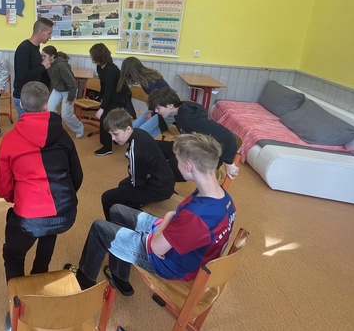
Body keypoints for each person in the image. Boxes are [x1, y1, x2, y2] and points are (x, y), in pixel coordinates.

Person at [67, 133, 236, 296]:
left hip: (169, 264)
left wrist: (167, 220)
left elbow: (157, 247)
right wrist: (169, 222)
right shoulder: (223, 198)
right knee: (117, 209)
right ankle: (119, 275)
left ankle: (83, 281)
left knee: (98, 229)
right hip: (180, 245)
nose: (175, 162)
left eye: (177, 159)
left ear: (189, 166)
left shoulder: (196, 216)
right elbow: (184, 222)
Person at [0, 81, 83, 282]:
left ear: (21, 105)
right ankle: (40, 271)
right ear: (46, 105)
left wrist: (17, 199)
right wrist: (64, 198)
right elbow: (77, 176)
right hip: (66, 214)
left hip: (30, 218)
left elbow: (3, 188)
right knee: (49, 228)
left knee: (12, 254)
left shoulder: (9, 140)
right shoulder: (63, 135)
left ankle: (18, 298)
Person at [148, 87, 240, 180]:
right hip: (190, 148)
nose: (156, 111)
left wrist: (229, 163)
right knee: (151, 145)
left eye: (158, 108)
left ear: (170, 105)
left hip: (200, 158)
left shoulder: (189, 119)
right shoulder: (182, 109)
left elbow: (227, 137)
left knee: (164, 171)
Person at [100, 109, 175, 220]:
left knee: (107, 198)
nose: (112, 138)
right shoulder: (139, 133)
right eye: (110, 134)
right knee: (123, 185)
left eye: (115, 134)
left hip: (159, 189)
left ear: (128, 129)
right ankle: (133, 211)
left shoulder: (136, 151)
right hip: (164, 181)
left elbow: (137, 183)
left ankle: (116, 225)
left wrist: (134, 172)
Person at [89, 43, 134, 156]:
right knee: (107, 116)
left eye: (92, 55)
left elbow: (109, 90)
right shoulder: (100, 67)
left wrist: (102, 108)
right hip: (112, 94)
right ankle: (115, 139)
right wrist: (101, 98)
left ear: (98, 56)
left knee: (105, 118)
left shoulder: (111, 70)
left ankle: (107, 147)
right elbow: (103, 85)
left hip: (121, 96)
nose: (91, 57)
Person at [117, 57, 173, 138]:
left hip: (167, 111)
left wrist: (152, 114)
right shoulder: (146, 77)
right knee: (133, 127)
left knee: (140, 133)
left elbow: (161, 100)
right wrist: (151, 112)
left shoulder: (148, 81)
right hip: (158, 108)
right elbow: (154, 99)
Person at [13, 18, 54, 118]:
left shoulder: (35, 47)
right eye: (49, 33)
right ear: (40, 32)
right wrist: (43, 66)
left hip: (33, 96)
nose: (50, 37)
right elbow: (22, 77)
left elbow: (36, 72)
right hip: (24, 97)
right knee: (26, 125)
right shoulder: (24, 49)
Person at [42, 45, 84, 138]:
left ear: (52, 56)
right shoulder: (49, 64)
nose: (42, 58)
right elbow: (53, 80)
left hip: (68, 91)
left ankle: (79, 128)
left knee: (66, 115)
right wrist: (51, 93)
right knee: (49, 110)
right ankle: (56, 127)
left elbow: (72, 83)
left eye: (44, 56)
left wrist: (71, 97)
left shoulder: (61, 65)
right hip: (57, 89)